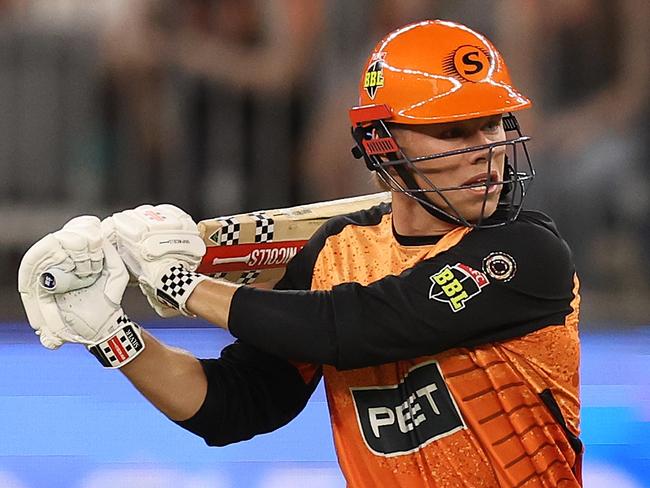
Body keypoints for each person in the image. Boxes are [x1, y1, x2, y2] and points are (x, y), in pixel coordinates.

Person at [18, 20, 583, 487]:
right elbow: (235, 404)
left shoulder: (526, 252)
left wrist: (182, 285)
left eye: (493, 125)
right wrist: (114, 335)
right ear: (384, 141)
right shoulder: (337, 252)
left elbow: (356, 325)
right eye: (454, 131)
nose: (486, 152)